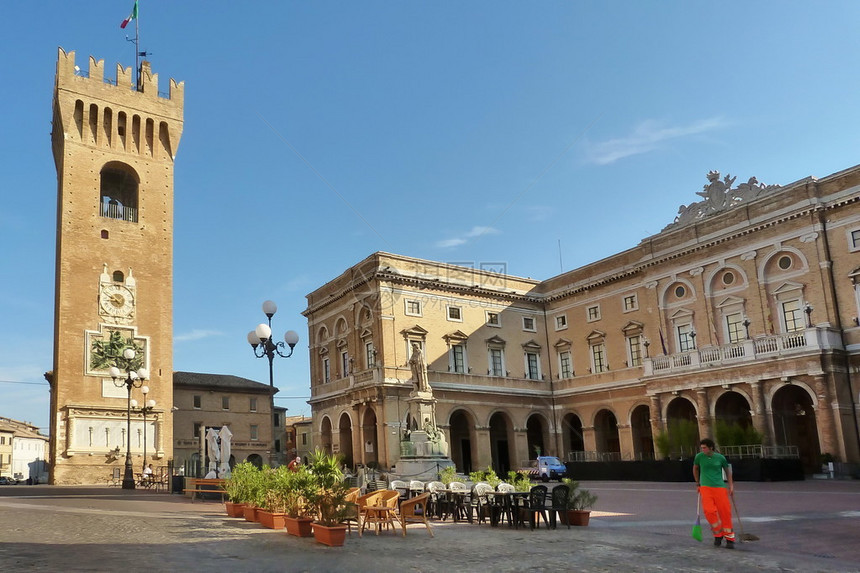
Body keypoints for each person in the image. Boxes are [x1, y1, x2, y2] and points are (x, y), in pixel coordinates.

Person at [693, 438, 735, 548]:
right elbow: (695, 469)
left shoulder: (720, 458)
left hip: (720, 487)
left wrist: (731, 486)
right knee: (709, 511)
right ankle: (718, 534)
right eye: (701, 448)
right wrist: (697, 483)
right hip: (705, 487)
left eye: (704, 448)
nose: (703, 450)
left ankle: (729, 538)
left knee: (725, 512)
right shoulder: (699, 457)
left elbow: (727, 471)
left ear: (711, 447)